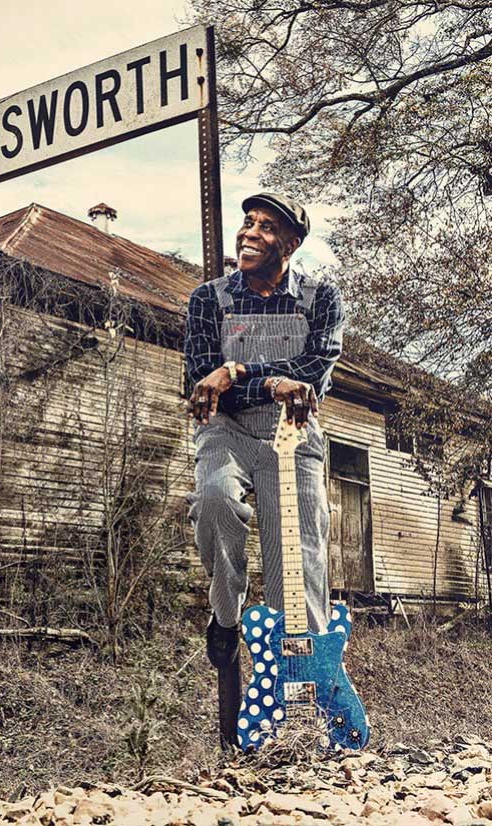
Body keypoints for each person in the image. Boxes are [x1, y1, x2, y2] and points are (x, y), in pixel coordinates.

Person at [184, 193, 345, 668]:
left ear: (291, 244)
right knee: (213, 499)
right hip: (226, 432)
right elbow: (201, 383)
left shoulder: (321, 298)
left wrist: (233, 371)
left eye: (267, 227)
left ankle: (304, 684)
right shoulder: (207, 299)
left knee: (296, 560)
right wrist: (272, 380)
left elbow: (312, 375)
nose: (250, 233)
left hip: (292, 435)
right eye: (248, 222)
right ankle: (226, 613)